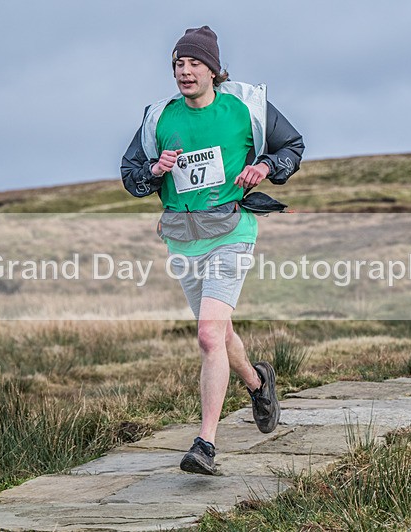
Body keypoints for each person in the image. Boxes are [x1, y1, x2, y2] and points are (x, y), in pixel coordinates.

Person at [120, 26, 304, 475]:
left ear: (213, 70)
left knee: (206, 335)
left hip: (231, 232)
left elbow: (292, 146)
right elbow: (130, 174)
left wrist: (265, 165)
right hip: (183, 237)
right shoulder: (160, 117)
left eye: (194, 63)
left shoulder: (246, 107)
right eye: (178, 64)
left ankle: (205, 444)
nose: (185, 71)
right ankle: (258, 384)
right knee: (218, 334)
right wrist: (154, 170)